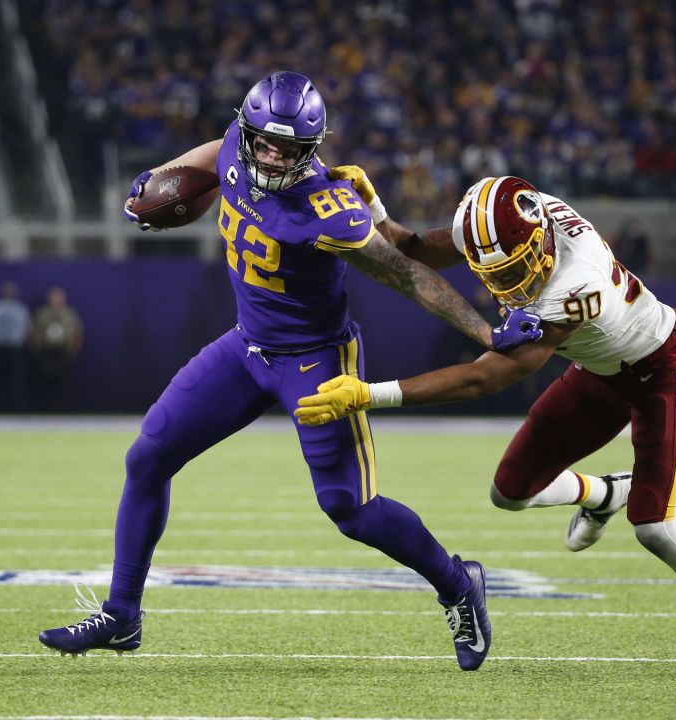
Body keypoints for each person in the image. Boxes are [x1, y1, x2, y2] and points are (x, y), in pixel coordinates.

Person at [38, 71, 541, 670]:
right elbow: (207, 159)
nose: (273, 156)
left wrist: (487, 331)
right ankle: (122, 617)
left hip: (316, 358)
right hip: (248, 348)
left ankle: (458, 582)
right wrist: (160, 181)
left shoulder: (330, 208)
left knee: (350, 509)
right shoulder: (236, 144)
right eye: (264, 143)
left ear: (313, 147)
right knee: (147, 457)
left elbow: (409, 275)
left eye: (289, 148)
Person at [295, 170, 676, 679]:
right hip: (598, 368)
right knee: (511, 491)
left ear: (543, 238)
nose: (508, 284)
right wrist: (374, 208)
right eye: (496, 273)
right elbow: (412, 247)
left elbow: (489, 378)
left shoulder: (577, 280)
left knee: (655, 525)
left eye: (518, 268)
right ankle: (602, 493)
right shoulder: (492, 225)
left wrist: (371, 394)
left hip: (661, 366)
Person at [29, 286, 84, 412]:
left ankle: (61, 410)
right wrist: (37, 349)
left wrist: (74, 349)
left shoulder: (69, 314)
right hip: (47, 352)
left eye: (58, 297)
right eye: (53, 297)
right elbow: (34, 332)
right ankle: (45, 410)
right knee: (46, 382)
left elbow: (78, 332)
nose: (56, 300)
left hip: (63, 352)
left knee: (62, 383)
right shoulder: (43, 313)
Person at [0, 282, 31, 412]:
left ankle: (16, 408)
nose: (9, 294)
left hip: (15, 348)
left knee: (16, 380)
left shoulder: (20, 309)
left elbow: (27, 328)